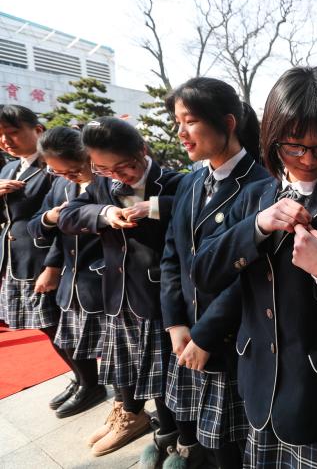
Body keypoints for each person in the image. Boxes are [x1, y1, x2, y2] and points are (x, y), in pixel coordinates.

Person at [193, 66, 317, 468]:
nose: (308, 159)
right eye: (294, 146)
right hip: (259, 379)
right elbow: (205, 272)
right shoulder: (253, 195)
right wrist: (257, 226)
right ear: (272, 137)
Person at [153, 77, 268, 469]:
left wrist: (204, 334)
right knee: (207, 439)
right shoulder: (190, 182)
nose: (181, 132)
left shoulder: (262, 186)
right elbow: (172, 256)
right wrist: (175, 323)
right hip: (188, 335)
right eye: (177, 121)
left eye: (190, 120)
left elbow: (250, 278)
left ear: (229, 122)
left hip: (229, 340)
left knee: (234, 445)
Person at [57, 117, 182, 457]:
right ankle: (129, 415)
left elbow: (192, 205)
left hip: (156, 297)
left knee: (162, 376)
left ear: (142, 150)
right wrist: (106, 212)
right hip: (116, 293)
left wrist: (153, 207)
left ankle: (171, 436)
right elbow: (69, 216)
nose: (118, 176)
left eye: (124, 167)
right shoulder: (102, 185)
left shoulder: (171, 181)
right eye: (104, 169)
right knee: (121, 364)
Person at [27, 127, 107, 420]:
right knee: (71, 338)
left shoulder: (108, 181)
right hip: (72, 278)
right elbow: (36, 226)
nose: (68, 177)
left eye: (74, 170)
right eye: (58, 172)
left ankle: (123, 405)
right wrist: (51, 217)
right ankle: (85, 382)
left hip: (103, 279)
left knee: (114, 351)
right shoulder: (61, 187)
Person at [0, 105, 69, 407]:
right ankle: (80, 378)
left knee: (56, 323)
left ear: (38, 131)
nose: (6, 140)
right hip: (14, 258)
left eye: (13, 132)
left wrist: (53, 264)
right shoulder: (6, 169)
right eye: (1, 135)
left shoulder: (53, 167)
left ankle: (89, 380)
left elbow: (64, 222)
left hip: (42, 258)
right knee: (43, 325)